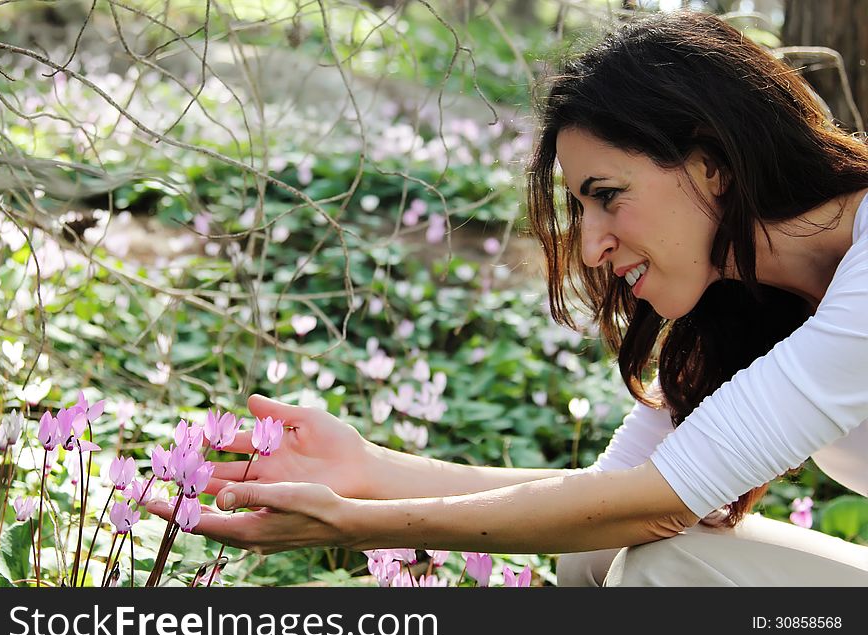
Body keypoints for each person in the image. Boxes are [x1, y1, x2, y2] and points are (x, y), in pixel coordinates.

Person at [147, 10, 868, 586]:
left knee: (670, 561)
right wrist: (368, 473)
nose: (591, 248)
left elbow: (657, 504)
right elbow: (610, 491)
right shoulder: (756, 301)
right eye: (581, 210)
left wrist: (365, 525)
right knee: (591, 552)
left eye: (608, 198)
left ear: (711, 164)